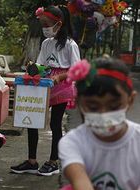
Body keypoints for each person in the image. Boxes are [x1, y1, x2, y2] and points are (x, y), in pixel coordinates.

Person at [11, 5, 81, 176]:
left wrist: (59, 77)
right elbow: (41, 66)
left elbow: (76, 69)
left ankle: (53, 162)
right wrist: (32, 69)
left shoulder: (70, 45)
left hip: (62, 86)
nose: (44, 28)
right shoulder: (46, 43)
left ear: (59, 23)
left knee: (55, 124)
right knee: (32, 121)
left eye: (47, 24)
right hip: (44, 85)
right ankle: (32, 161)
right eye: (42, 24)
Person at [59, 57, 139, 189]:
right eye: (93, 107)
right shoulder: (73, 142)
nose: (103, 114)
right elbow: (80, 181)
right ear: (79, 103)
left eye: (114, 106)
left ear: (130, 100)